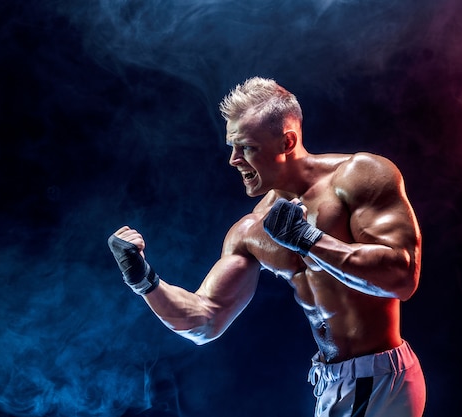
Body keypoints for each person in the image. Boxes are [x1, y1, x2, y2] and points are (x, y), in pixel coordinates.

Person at [108, 77, 426, 417]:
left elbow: (402, 277)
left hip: (377, 378)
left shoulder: (360, 175)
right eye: (232, 147)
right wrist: (144, 281)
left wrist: (310, 240)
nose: (233, 160)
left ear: (287, 141)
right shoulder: (250, 230)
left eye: (246, 148)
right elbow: (205, 319)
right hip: (331, 382)